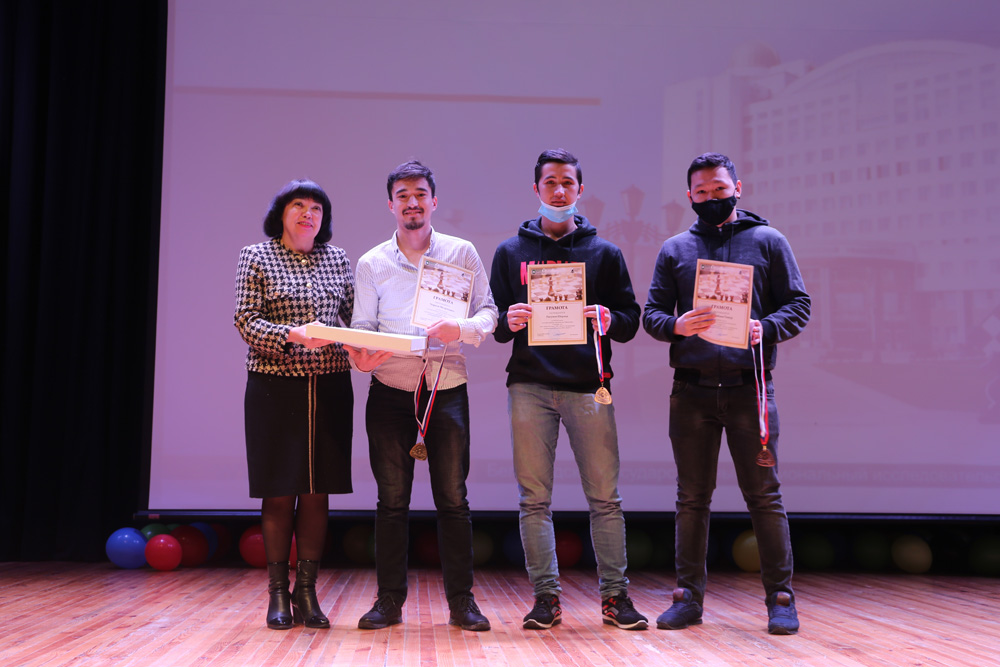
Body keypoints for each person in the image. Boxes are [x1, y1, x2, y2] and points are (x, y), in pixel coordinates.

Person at [642, 152, 811, 635]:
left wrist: (766, 327)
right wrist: (675, 325)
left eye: (720, 189)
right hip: (691, 391)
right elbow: (652, 314)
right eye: (702, 192)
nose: (711, 197)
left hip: (749, 389)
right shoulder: (675, 248)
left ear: (738, 188)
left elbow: (799, 304)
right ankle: (687, 599)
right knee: (691, 499)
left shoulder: (769, 240)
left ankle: (781, 600)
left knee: (765, 496)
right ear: (689, 196)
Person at [489, 149, 647, 631]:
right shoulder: (510, 252)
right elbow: (493, 326)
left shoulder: (605, 253)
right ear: (536, 189)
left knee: (605, 498)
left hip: (588, 387)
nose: (559, 191)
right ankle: (546, 599)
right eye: (550, 183)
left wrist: (610, 318)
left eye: (568, 183)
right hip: (530, 387)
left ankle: (616, 598)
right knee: (533, 499)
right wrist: (509, 320)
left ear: (580, 190)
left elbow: (631, 320)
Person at [347, 160, 498, 632]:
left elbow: (489, 312)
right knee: (392, 501)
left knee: (453, 500)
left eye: (419, 195)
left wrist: (462, 328)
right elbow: (362, 327)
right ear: (390, 204)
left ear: (434, 201)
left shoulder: (461, 252)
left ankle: (462, 603)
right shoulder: (371, 262)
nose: (412, 203)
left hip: (446, 388)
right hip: (389, 390)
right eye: (403, 196)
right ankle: (388, 601)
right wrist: (361, 358)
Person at [234, 179, 355, 630]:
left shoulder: (337, 258)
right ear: (281, 214)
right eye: (298, 205)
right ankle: (278, 594)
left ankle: (307, 592)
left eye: (317, 208)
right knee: (279, 489)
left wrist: (373, 345)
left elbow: (355, 318)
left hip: (329, 385)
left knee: (318, 490)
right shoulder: (256, 256)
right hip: (274, 385)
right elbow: (245, 320)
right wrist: (290, 335)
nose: (308, 214)